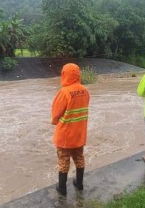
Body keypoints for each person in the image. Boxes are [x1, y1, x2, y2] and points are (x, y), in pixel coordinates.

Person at [51, 63, 90, 197]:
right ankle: (79, 185)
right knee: (79, 158)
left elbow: (55, 114)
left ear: (64, 74)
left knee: (63, 161)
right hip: (79, 134)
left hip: (65, 135)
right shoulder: (85, 90)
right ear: (78, 74)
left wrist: (54, 121)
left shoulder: (64, 92)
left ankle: (62, 189)